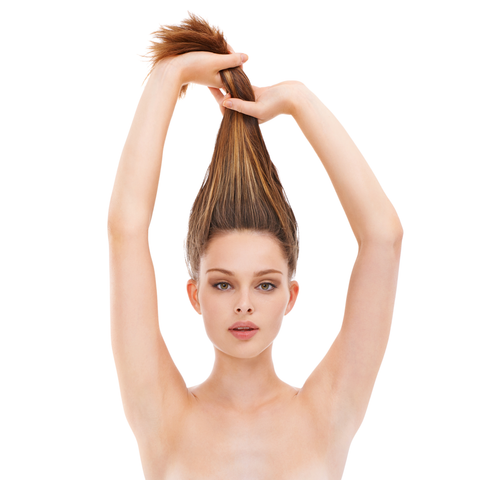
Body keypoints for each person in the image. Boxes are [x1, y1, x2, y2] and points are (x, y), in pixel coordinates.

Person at [107, 13, 403, 480]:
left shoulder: (326, 413)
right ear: (195, 295)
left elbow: (383, 239)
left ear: (291, 295)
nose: (244, 305)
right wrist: (170, 75)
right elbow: (126, 231)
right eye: (223, 285)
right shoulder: (162, 415)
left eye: (265, 285)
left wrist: (298, 99)